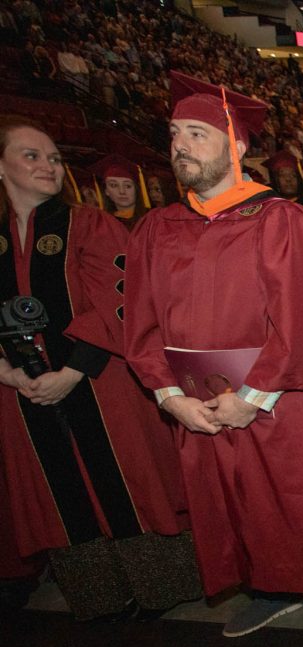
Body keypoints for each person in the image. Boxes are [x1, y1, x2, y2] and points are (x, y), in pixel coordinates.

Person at [123, 73, 303, 647]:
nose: (181, 145)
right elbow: (138, 327)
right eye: (174, 134)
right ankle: (270, 589)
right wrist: (171, 398)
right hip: (200, 405)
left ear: (236, 147)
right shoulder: (157, 230)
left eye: (197, 133)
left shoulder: (282, 221)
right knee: (241, 504)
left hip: (289, 401)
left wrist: (251, 396)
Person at [0, 116, 197, 620]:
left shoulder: (89, 223)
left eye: (53, 158)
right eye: (31, 155)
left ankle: (159, 588)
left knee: (124, 477)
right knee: (57, 489)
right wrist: (8, 373)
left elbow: (119, 298)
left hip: (98, 377)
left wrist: (71, 371)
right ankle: (99, 597)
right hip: (19, 391)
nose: (48, 165)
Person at [91, 154, 150, 229]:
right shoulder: (102, 225)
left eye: (127, 186)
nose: (122, 191)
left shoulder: (151, 220)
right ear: (106, 191)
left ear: (136, 189)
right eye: (114, 185)